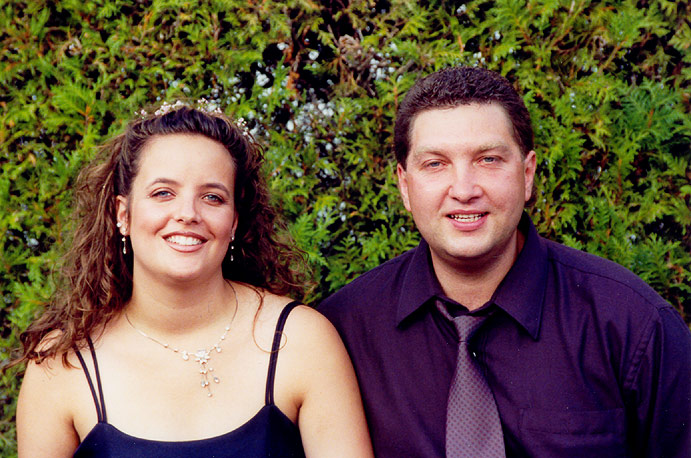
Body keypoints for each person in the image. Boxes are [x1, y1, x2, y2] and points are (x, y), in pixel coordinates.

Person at [319, 67, 691, 458]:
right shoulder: (343, 332)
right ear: (404, 185)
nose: (464, 190)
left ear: (527, 174)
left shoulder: (633, 324)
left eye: (489, 159)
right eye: (435, 164)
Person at [16, 101, 374, 458]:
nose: (188, 213)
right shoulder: (62, 364)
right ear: (123, 214)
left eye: (212, 197)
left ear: (233, 222)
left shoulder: (299, 340)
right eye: (163, 193)